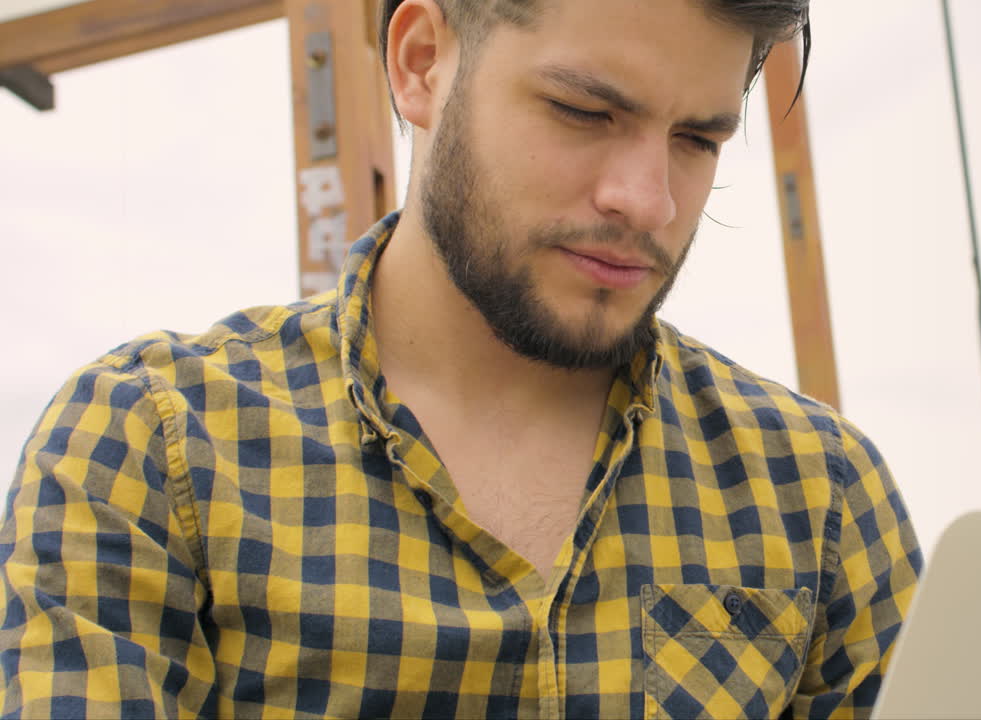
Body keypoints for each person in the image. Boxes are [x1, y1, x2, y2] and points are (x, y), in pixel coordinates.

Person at [0, 0, 922, 716]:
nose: (648, 201)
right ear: (420, 63)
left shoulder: (817, 492)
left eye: (697, 140)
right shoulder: (153, 449)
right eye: (584, 111)